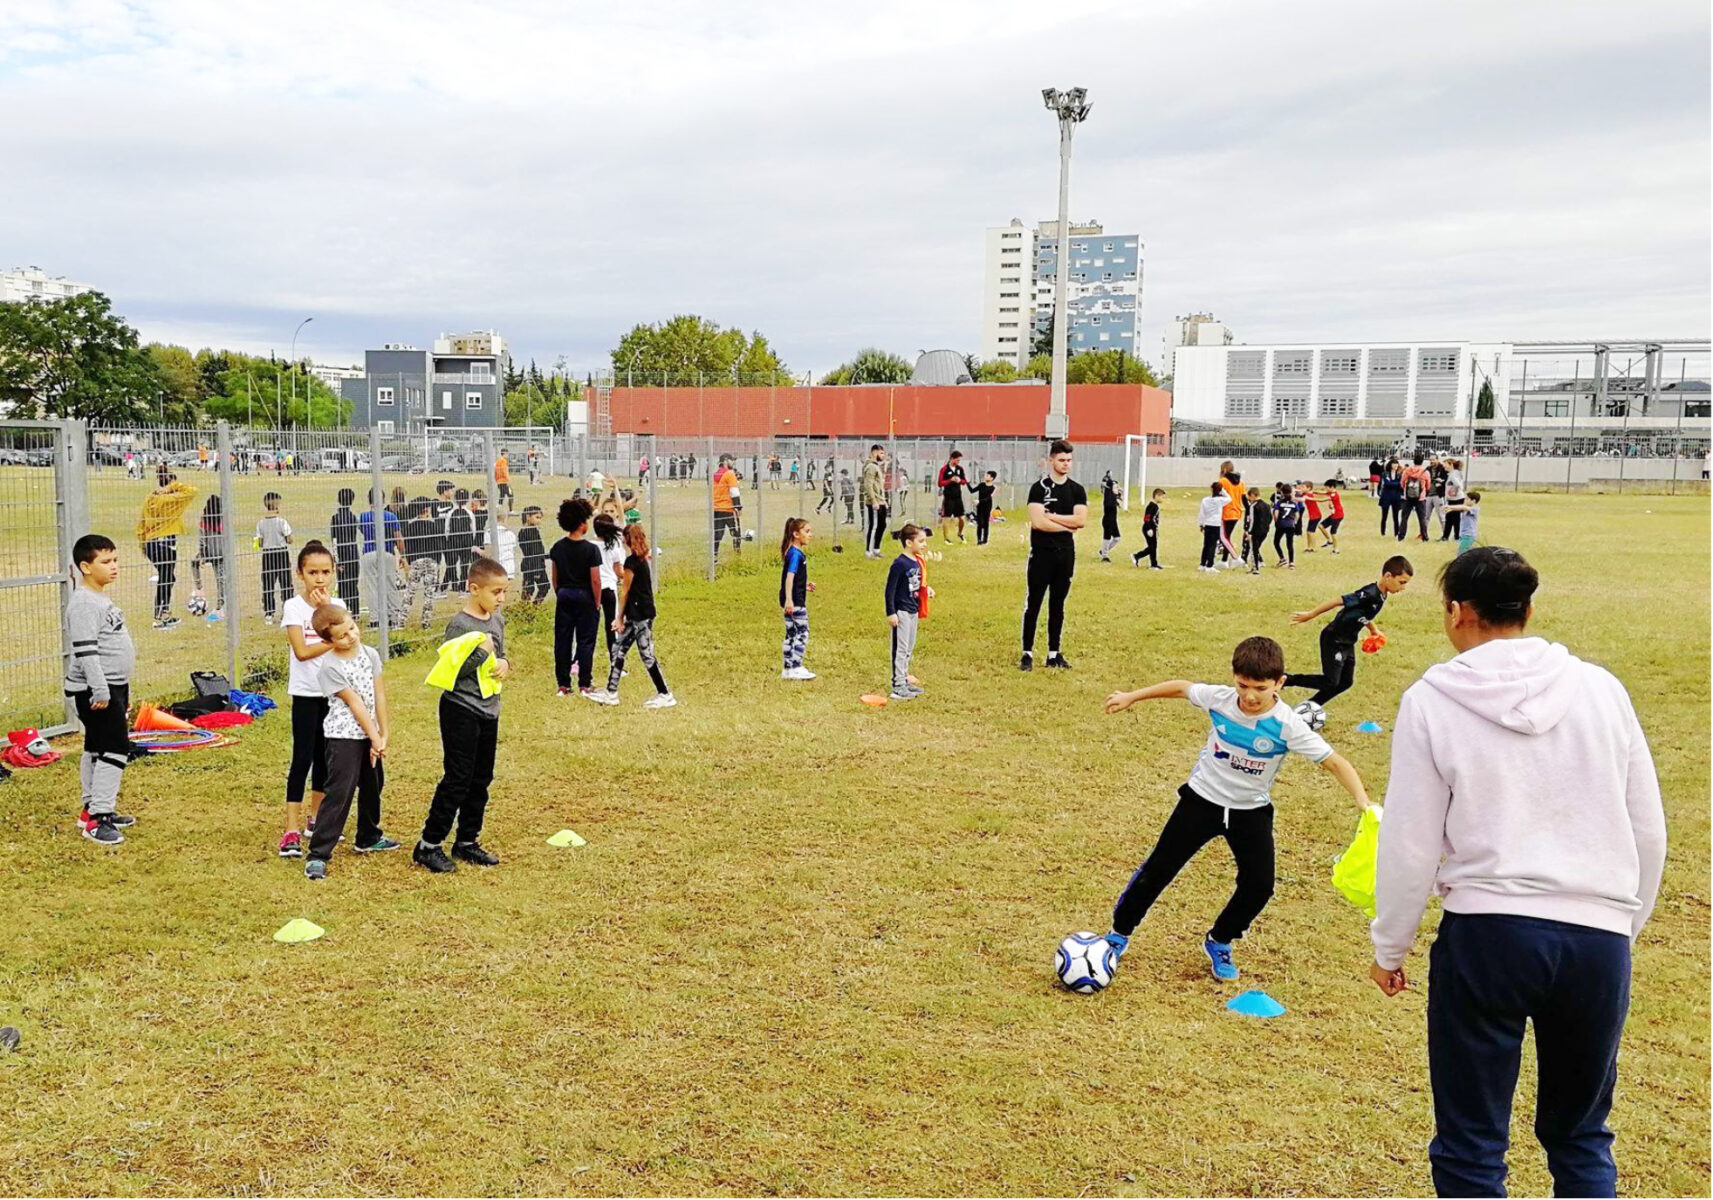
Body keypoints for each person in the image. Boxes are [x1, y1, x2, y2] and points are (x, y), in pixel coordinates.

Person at [1368, 547, 1664, 1199]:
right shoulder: (1601, 690)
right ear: (1527, 609)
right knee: (1581, 1135)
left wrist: (1390, 944)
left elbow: (1410, 840)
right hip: (1596, 939)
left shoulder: (1430, 701)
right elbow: (1647, 827)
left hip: (1487, 935)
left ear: (1456, 613)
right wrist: (1621, 927)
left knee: (1472, 1142)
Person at [1098, 636, 1371, 982]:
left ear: (1279, 683)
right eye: (1243, 685)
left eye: (1260, 687)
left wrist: (1362, 800)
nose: (1250, 696)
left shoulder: (1287, 725)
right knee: (1159, 869)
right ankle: (1118, 934)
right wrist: (1131, 696)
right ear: (1234, 677)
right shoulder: (1220, 700)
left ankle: (1220, 939)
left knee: (1260, 885)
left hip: (1249, 812)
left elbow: (1334, 762)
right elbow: (1182, 688)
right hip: (1201, 800)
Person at [414, 557, 510, 874]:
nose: (501, 598)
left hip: (489, 709)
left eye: (504, 592)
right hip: (460, 709)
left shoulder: (496, 622)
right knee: (458, 778)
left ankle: (467, 841)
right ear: (474, 589)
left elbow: (502, 655)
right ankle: (428, 845)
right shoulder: (459, 625)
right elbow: (450, 672)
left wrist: (505, 664)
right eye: (496, 592)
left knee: (482, 778)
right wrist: (481, 651)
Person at [303, 603, 400, 878]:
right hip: (344, 736)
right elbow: (355, 703)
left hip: (370, 733)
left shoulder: (370, 655)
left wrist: (383, 735)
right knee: (340, 792)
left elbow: (378, 695)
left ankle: (368, 837)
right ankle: (318, 853)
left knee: (373, 784)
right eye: (343, 636)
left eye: (352, 628)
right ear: (327, 641)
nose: (352, 636)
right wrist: (373, 736)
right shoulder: (330, 667)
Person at [65, 534, 136, 846]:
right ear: (85, 567)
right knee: (116, 749)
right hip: (96, 691)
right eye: (105, 562)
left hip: (111, 688)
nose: (114, 567)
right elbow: (86, 653)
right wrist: (101, 691)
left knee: (96, 747)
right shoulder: (82, 604)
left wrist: (122, 690)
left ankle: (92, 808)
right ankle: (98, 818)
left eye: (115, 560)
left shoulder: (100, 599)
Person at [1284, 554, 1413, 706]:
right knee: (1331, 681)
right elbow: (1338, 601)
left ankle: (1310, 706)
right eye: (1401, 582)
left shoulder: (1382, 594)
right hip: (1334, 639)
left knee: (1345, 682)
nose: (1403, 588)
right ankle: (1287, 679)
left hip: (1348, 641)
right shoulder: (1369, 594)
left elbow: (1364, 614)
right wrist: (1311, 614)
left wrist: (1374, 630)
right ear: (1387, 576)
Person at [279, 542, 341, 858]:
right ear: (300, 574)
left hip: (333, 693)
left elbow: (349, 642)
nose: (319, 579)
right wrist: (334, 639)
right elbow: (302, 652)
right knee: (302, 757)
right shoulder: (293, 607)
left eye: (325, 572)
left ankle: (315, 818)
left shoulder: (337, 605)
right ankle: (291, 828)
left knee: (324, 758)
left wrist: (328, 612)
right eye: (312, 572)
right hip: (305, 694)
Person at [586, 523, 675, 708]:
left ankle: (665, 694)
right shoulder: (641, 559)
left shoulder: (631, 563)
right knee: (619, 649)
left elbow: (625, 591)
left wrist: (619, 617)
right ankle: (611, 692)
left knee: (646, 655)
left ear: (626, 540)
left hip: (639, 616)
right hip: (640, 613)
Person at [1020, 439, 1087, 671]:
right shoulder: (1039, 488)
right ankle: (1027, 653)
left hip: (1065, 555)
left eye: (1069, 460)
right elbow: (1038, 522)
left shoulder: (1077, 490)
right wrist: (1067, 525)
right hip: (1041, 555)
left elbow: (1081, 520)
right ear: (1051, 460)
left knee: (1057, 605)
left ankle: (1053, 653)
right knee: (1034, 603)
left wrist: (1054, 517)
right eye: (1061, 460)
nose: (1066, 464)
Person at [549, 497, 603, 698]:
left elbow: (555, 578)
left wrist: (561, 593)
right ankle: (584, 683)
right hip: (585, 596)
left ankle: (563, 684)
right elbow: (595, 580)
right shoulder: (591, 549)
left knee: (562, 640)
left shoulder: (557, 547)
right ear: (582, 523)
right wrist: (597, 602)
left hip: (564, 595)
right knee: (585, 640)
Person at [136, 469, 196, 629]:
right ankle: (161, 615)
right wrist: (172, 488)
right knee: (166, 578)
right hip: (166, 543)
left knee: (168, 577)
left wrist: (142, 543)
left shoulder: (150, 499)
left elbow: (141, 522)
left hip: (151, 543)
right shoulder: (173, 499)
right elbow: (192, 490)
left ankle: (162, 611)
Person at [885, 524, 928, 701]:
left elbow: (915, 584)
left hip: (913, 610)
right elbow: (890, 590)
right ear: (909, 542)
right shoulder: (899, 563)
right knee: (900, 649)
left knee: (909, 648)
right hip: (901, 612)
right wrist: (891, 612)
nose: (924, 544)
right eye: (921, 541)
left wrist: (927, 591)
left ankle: (904, 679)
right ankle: (898, 686)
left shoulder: (916, 561)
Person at [359, 486, 406, 627]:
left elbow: (362, 531)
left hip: (368, 552)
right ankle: (393, 616)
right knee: (390, 584)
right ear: (384, 500)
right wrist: (402, 555)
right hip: (387, 552)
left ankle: (375, 619)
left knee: (372, 586)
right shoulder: (390, 516)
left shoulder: (363, 517)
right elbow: (398, 538)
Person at [779, 516, 815, 681]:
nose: (810, 535)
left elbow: (795, 579)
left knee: (791, 633)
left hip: (792, 598)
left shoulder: (793, 552)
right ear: (796, 534)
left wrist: (804, 585)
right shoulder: (796, 555)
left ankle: (787, 669)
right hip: (795, 602)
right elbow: (789, 577)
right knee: (802, 632)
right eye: (807, 531)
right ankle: (796, 666)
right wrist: (789, 600)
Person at [398, 497, 441, 630]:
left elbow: (408, 545)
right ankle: (426, 621)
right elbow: (439, 545)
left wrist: (409, 560)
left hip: (416, 561)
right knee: (429, 593)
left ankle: (402, 620)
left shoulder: (410, 527)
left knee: (410, 592)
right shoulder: (434, 526)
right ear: (427, 510)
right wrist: (437, 562)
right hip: (431, 561)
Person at [255, 491, 293, 624]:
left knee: (268, 584)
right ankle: (287, 611)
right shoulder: (282, 522)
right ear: (277, 506)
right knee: (286, 583)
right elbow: (290, 539)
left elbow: (258, 542)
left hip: (268, 554)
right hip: (281, 553)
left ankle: (269, 613)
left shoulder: (260, 523)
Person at [593, 513, 624, 668]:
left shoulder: (589, 546)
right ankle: (615, 661)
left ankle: (578, 661)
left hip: (592, 590)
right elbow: (619, 571)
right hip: (609, 589)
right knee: (612, 626)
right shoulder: (614, 546)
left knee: (589, 626)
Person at [188, 494, 226, 620]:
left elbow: (202, 540)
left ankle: (199, 589)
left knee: (194, 563)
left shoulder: (204, 520)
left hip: (209, 552)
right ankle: (220, 606)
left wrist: (203, 555)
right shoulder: (223, 520)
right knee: (220, 579)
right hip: (221, 553)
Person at [329, 488, 361, 614]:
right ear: (352, 500)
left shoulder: (336, 518)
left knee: (343, 583)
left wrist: (337, 560)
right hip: (353, 554)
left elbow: (334, 541)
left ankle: (344, 608)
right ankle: (355, 610)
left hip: (342, 555)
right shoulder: (353, 517)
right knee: (353, 583)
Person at [712, 455, 744, 560]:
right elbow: (734, 492)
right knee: (736, 533)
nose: (733, 463)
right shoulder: (730, 474)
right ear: (726, 461)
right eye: (732, 461)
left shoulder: (715, 474)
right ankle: (737, 555)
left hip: (717, 508)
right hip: (728, 509)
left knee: (717, 534)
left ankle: (714, 556)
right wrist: (738, 507)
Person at [445, 488, 476, 591]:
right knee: (464, 564)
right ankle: (462, 585)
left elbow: (447, 529)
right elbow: (473, 529)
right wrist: (471, 540)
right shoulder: (469, 513)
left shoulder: (450, 513)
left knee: (452, 563)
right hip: (466, 541)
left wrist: (448, 538)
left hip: (453, 540)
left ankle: (454, 584)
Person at [860, 445, 888, 558]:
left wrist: (883, 500)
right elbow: (868, 485)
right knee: (874, 525)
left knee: (882, 525)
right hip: (874, 502)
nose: (883, 456)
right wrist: (874, 501)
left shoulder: (876, 466)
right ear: (874, 453)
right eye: (881, 453)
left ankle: (876, 549)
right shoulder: (871, 467)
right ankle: (869, 551)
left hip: (880, 500)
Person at [518, 506, 549, 603]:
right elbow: (533, 552)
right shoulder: (529, 532)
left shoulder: (525, 531)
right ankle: (533, 608)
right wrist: (537, 570)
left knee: (528, 589)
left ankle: (527, 609)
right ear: (528, 517)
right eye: (537, 517)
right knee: (543, 586)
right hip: (535, 565)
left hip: (530, 564)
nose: (539, 521)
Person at [937, 451, 970, 543]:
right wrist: (950, 480)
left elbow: (964, 481)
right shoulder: (944, 469)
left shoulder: (960, 469)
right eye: (957, 460)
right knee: (946, 518)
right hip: (948, 497)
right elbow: (940, 483)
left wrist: (960, 481)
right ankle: (946, 539)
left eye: (960, 460)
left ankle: (960, 533)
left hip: (958, 497)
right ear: (952, 459)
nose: (959, 461)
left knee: (962, 518)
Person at [1398, 452, 1432, 542]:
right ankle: (1424, 536)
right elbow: (1428, 485)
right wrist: (1424, 491)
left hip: (1407, 497)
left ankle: (1401, 536)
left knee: (1404, 517)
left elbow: (1402, 483)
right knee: (1422, 518)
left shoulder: (1407, 471)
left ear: (1413, 460)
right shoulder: (1425, 472)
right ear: (1422, 461)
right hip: (1420, 498)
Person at [1216, 463, 1245, 567]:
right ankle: (1224, 560)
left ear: (1224, 469)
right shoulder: (1241, 483)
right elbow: (1244, 499)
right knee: (1227, 537)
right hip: (1237, 512)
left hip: (1226, 512)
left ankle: (1236, 558)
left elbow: (1217, 495)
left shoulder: (1222, 481)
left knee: (1223, 537)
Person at [1131, 488, 1166, 569]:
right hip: (1148, 528)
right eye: (1162, 497)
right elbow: (1147, 518)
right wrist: (1149, 528)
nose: (1163, 499)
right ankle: (1136, 556)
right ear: (1157, 496)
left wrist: (1156, 529)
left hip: (1153, 528)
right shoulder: (1151, 506)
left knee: (1153, 546)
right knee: (1152, 547)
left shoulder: (1156, 506)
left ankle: (1154, 564)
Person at [1196, 483, 1225, 573]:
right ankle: (1210, 565)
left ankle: (1202, 564)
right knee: (1213, 545)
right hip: (1215, 524)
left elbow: (1202, 513)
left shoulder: (1205, 500)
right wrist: (1224, 491)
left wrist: (1201, 523)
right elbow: (1230, 499)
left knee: (1206, 545)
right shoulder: (1220, 500)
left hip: (1207, 524)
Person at [1443, 491, 1482, 555]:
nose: (1465, 500)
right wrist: (1451, 509)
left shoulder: (1475, 509)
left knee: (1461, 555)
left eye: (1467, 499)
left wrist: (1450, 507)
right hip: (1464, 535)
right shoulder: (1465, 508)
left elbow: (1463, 507)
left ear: (1473, 501)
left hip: (1469, 535)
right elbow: (1460, 508)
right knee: (1467, 554)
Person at [1272, 483, 1301, 569]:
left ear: (1281, 492)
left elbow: (1276, 514)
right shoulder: (1294, 503)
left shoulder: (1279, 503)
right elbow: (1297, 515)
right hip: (1290, 525)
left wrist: (1276, 522)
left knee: (1276, 542)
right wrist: (1294, 522)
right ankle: (1291, 562)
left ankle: (1282, 558)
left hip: (1281, 524)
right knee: (1290, 543)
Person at [1243, 487, 1270, 574]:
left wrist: (1249, 532)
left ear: (1252, 495)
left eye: (1249, 498)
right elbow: (1270, 517)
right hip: (1265, 530)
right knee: (1256, 548)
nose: (1249, 500)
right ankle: (1258, 564)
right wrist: (1266, 526)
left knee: (1253, 549)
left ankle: (1255, 568)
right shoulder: (1267, 505)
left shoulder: (1253, 506)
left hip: (1256, 530)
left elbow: (1252, 520)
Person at [1098, 471, 1123, 562]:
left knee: (1117, 538)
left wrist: (1118, 495)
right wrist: (1116, 495)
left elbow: (1117, 497)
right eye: (1115, 487)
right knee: (1107, 537)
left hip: (1113, 520)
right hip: (1108, 521)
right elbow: (1111, 501)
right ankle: (1105, 556)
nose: (1117, 488)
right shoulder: (1108, 499)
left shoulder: (1112, 497)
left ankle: (1103, 551)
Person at [1440, 458, 1466, 542]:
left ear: (1451, 464)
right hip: (1454, 498)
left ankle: (1456, 537)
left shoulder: (1453, 474)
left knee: (1455, 518)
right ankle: (1446, 536)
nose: (1444, 466)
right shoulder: (1455, 473)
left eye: (1446, 464)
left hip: (1456, 499)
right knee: (1450, 518)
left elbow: (1459, 485)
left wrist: (1452, 492)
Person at [1378, 459, 1404, 537]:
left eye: (1397, 464)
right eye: (1394, 464)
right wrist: (1396, 483)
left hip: (1396, 497)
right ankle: (1383, 532)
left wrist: (1393, 483)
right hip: (1386, 496)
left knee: (1396, 516)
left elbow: (1400, 484)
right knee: (1384, 515)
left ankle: (1396, 532)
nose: (1395, 466)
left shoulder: (1399, 474)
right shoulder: (1385, 473)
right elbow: (1387, 483)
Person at [971, 471, 997, 546]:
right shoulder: (981, 485)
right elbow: (972, 490)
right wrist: (965, 482)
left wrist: (979, 501)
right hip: (980, 507)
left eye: (988, 476)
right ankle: (979, 540)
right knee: (980, 523)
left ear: (992, 478)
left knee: (986, 523)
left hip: (987, 507)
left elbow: (988, 498)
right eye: (986, 475)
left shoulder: (993, 488)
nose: (986, 477)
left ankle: (985, 540)